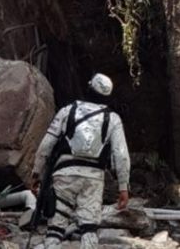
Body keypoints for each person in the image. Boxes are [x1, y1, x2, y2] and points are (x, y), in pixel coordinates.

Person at [31, 74, 130, 249]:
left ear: (89, 89)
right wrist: (123, 187)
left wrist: (36, 173)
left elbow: (46, 144)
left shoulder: (67, 111)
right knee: (89, 228)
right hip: (93, 179)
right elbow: (121, 155)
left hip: (64, 176)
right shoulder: (113, 119)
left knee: (55, 227)